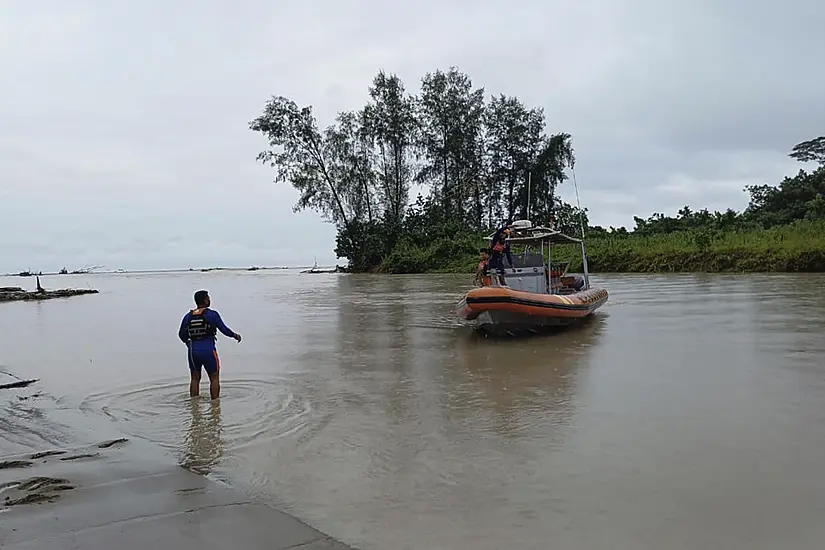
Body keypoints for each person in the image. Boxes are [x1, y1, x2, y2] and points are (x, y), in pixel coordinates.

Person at [178, 290, 241, 400]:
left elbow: (181, 334)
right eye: (208, 298)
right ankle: (215, 405)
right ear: (205, 300)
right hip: (208, 350)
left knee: (195, 378)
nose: (209, 300)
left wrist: (189, 344)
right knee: (214, 377)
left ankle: (194, 405)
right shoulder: (212, 315)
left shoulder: (188, 316)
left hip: (193, 352)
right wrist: (234, 335)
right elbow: (224, 329)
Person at [488, 221, 516, 286]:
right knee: (493, 277)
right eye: (501, 234)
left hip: (499, 262)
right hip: (493, 261)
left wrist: (512, 266)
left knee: (502, 278)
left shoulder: (506, 245)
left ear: (506, 235)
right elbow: (498, 232)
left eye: (503, 234)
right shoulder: (496, 240)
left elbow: (508, 256)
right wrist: (507, 227)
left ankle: (505, 287)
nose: (501, 235)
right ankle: (493, 288)